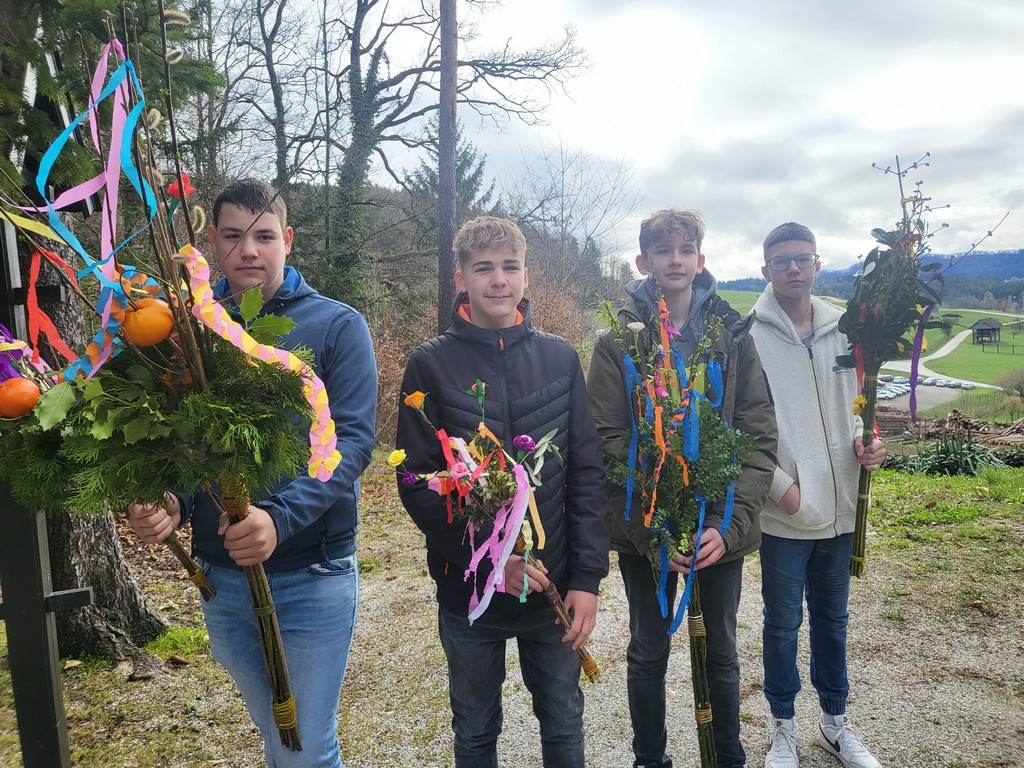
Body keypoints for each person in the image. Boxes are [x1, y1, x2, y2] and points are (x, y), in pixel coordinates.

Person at [126, 178, 378, 768]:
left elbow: (351, 441)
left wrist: (279, 519)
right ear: (212, 242)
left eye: (264, 236)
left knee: (304, 745)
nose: (248, 251)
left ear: (288, 240)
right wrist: (172, 503)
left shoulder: (336, 326)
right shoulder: (184, 328)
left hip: (312, 573)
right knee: (279, 734)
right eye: (233, 236)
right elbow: (180, 439)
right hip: (224, 580)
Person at [395, 215, 609, 768]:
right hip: (469, 591)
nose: (498, 280)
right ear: (461, 280)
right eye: (483, 268)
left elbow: (586, 472)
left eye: (510, 267)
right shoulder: (429, 363)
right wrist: (491, 565)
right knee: (474, 728)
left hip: (552, 584)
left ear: (525, 276)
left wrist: (586, 579)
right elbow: (416, 481)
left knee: (563, 719)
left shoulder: (561, 357)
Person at [587, 208, 778, 768]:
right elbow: (606, 440)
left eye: (685, 249)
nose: (676, 260)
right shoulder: (617, 341)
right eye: (663, 250)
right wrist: (651, 530)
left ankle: (726, 758)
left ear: (700, 259)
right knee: (649, 648)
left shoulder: (732, 337)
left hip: (718, 525)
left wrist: (728, 525)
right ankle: (650, 758)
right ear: (644, 261)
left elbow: (757, 434)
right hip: (647, 525)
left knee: (721, 650)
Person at [749, 223, 885, 768]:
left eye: (803, 259)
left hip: (842, 506)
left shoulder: (844, 330)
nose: (793, 268)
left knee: (833, 620)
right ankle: (784, 726)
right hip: (786, 512)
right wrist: (782, 490)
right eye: (782, 261)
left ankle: (834, 723)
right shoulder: (749, 337)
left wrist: (871, 444)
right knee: (782, 624)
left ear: (817, 265)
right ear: (765, 270)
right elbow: (741, 428)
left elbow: (860, 404)